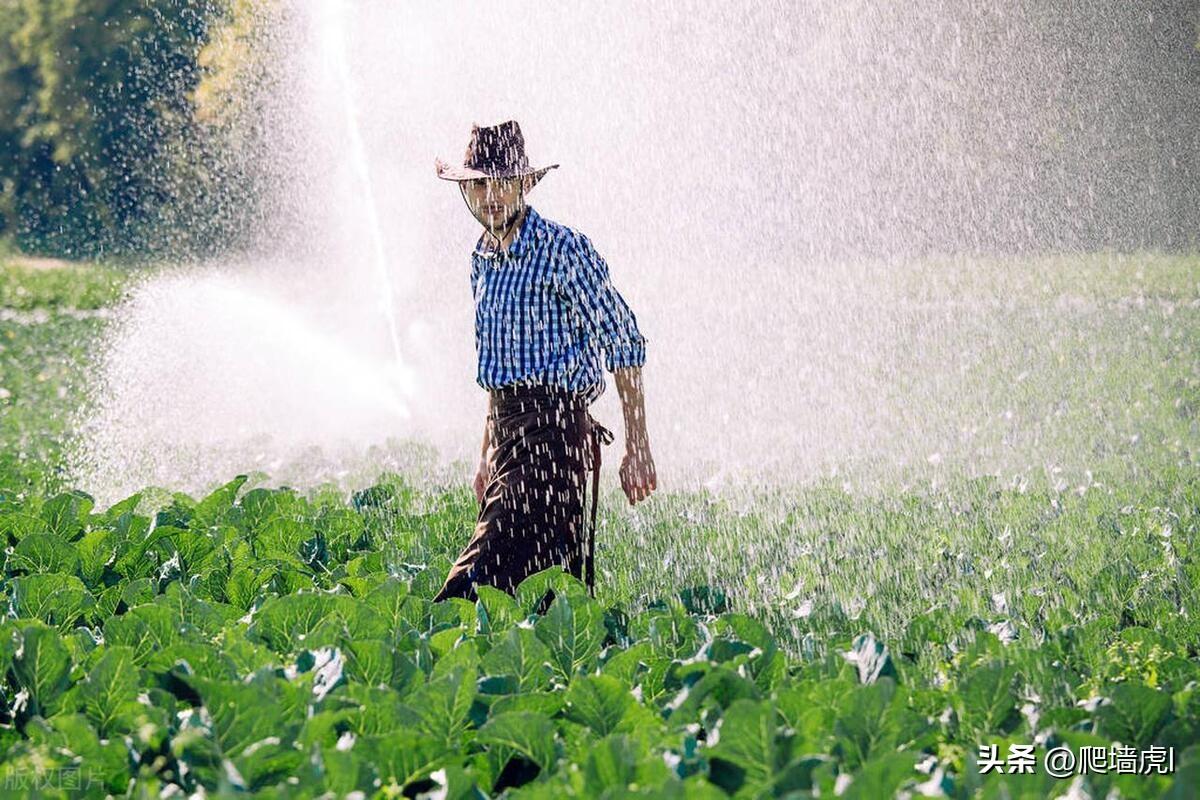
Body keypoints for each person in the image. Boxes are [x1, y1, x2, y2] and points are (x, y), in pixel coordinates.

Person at [431, 120, 656, 603]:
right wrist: (485, 454)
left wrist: (636, 446)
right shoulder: (481, 259)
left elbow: (624, 343)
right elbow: (498, 371)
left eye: (502, 182)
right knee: (544, 597)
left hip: (555, 436)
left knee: (470, 588)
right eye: (476, 184)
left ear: (524, 184)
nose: (489, 195)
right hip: (509, 436)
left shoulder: (562, 250)